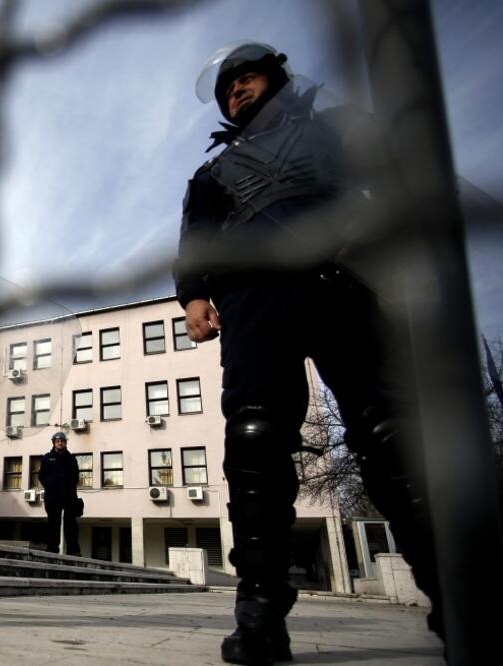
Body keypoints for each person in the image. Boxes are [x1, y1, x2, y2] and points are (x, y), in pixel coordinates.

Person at [173, 42, 443, 665]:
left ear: (276, 78)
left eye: (247, 78)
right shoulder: (211, 174)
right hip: (253, 298)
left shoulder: (333, 126)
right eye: (229, 89)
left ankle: (458, 595)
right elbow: (196, 241)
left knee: (391, 429)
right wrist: (193, 297)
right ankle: (260, 618)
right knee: (253, 439)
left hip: (342, 282)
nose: (237, 91)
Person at [38, 431, 81, 556]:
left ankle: (74, 550)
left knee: (71, 524)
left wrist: (69, 489)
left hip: (69, 496)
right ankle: (52, 548)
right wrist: (51, 487)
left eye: (62, 441)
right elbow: (41, 476)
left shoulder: (71, 459)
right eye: (57, 441)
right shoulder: (46, 458)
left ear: (65, 443)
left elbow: (76, 477)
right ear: (54, 443)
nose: (60, 443)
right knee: (53, 523)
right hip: (53, 496)